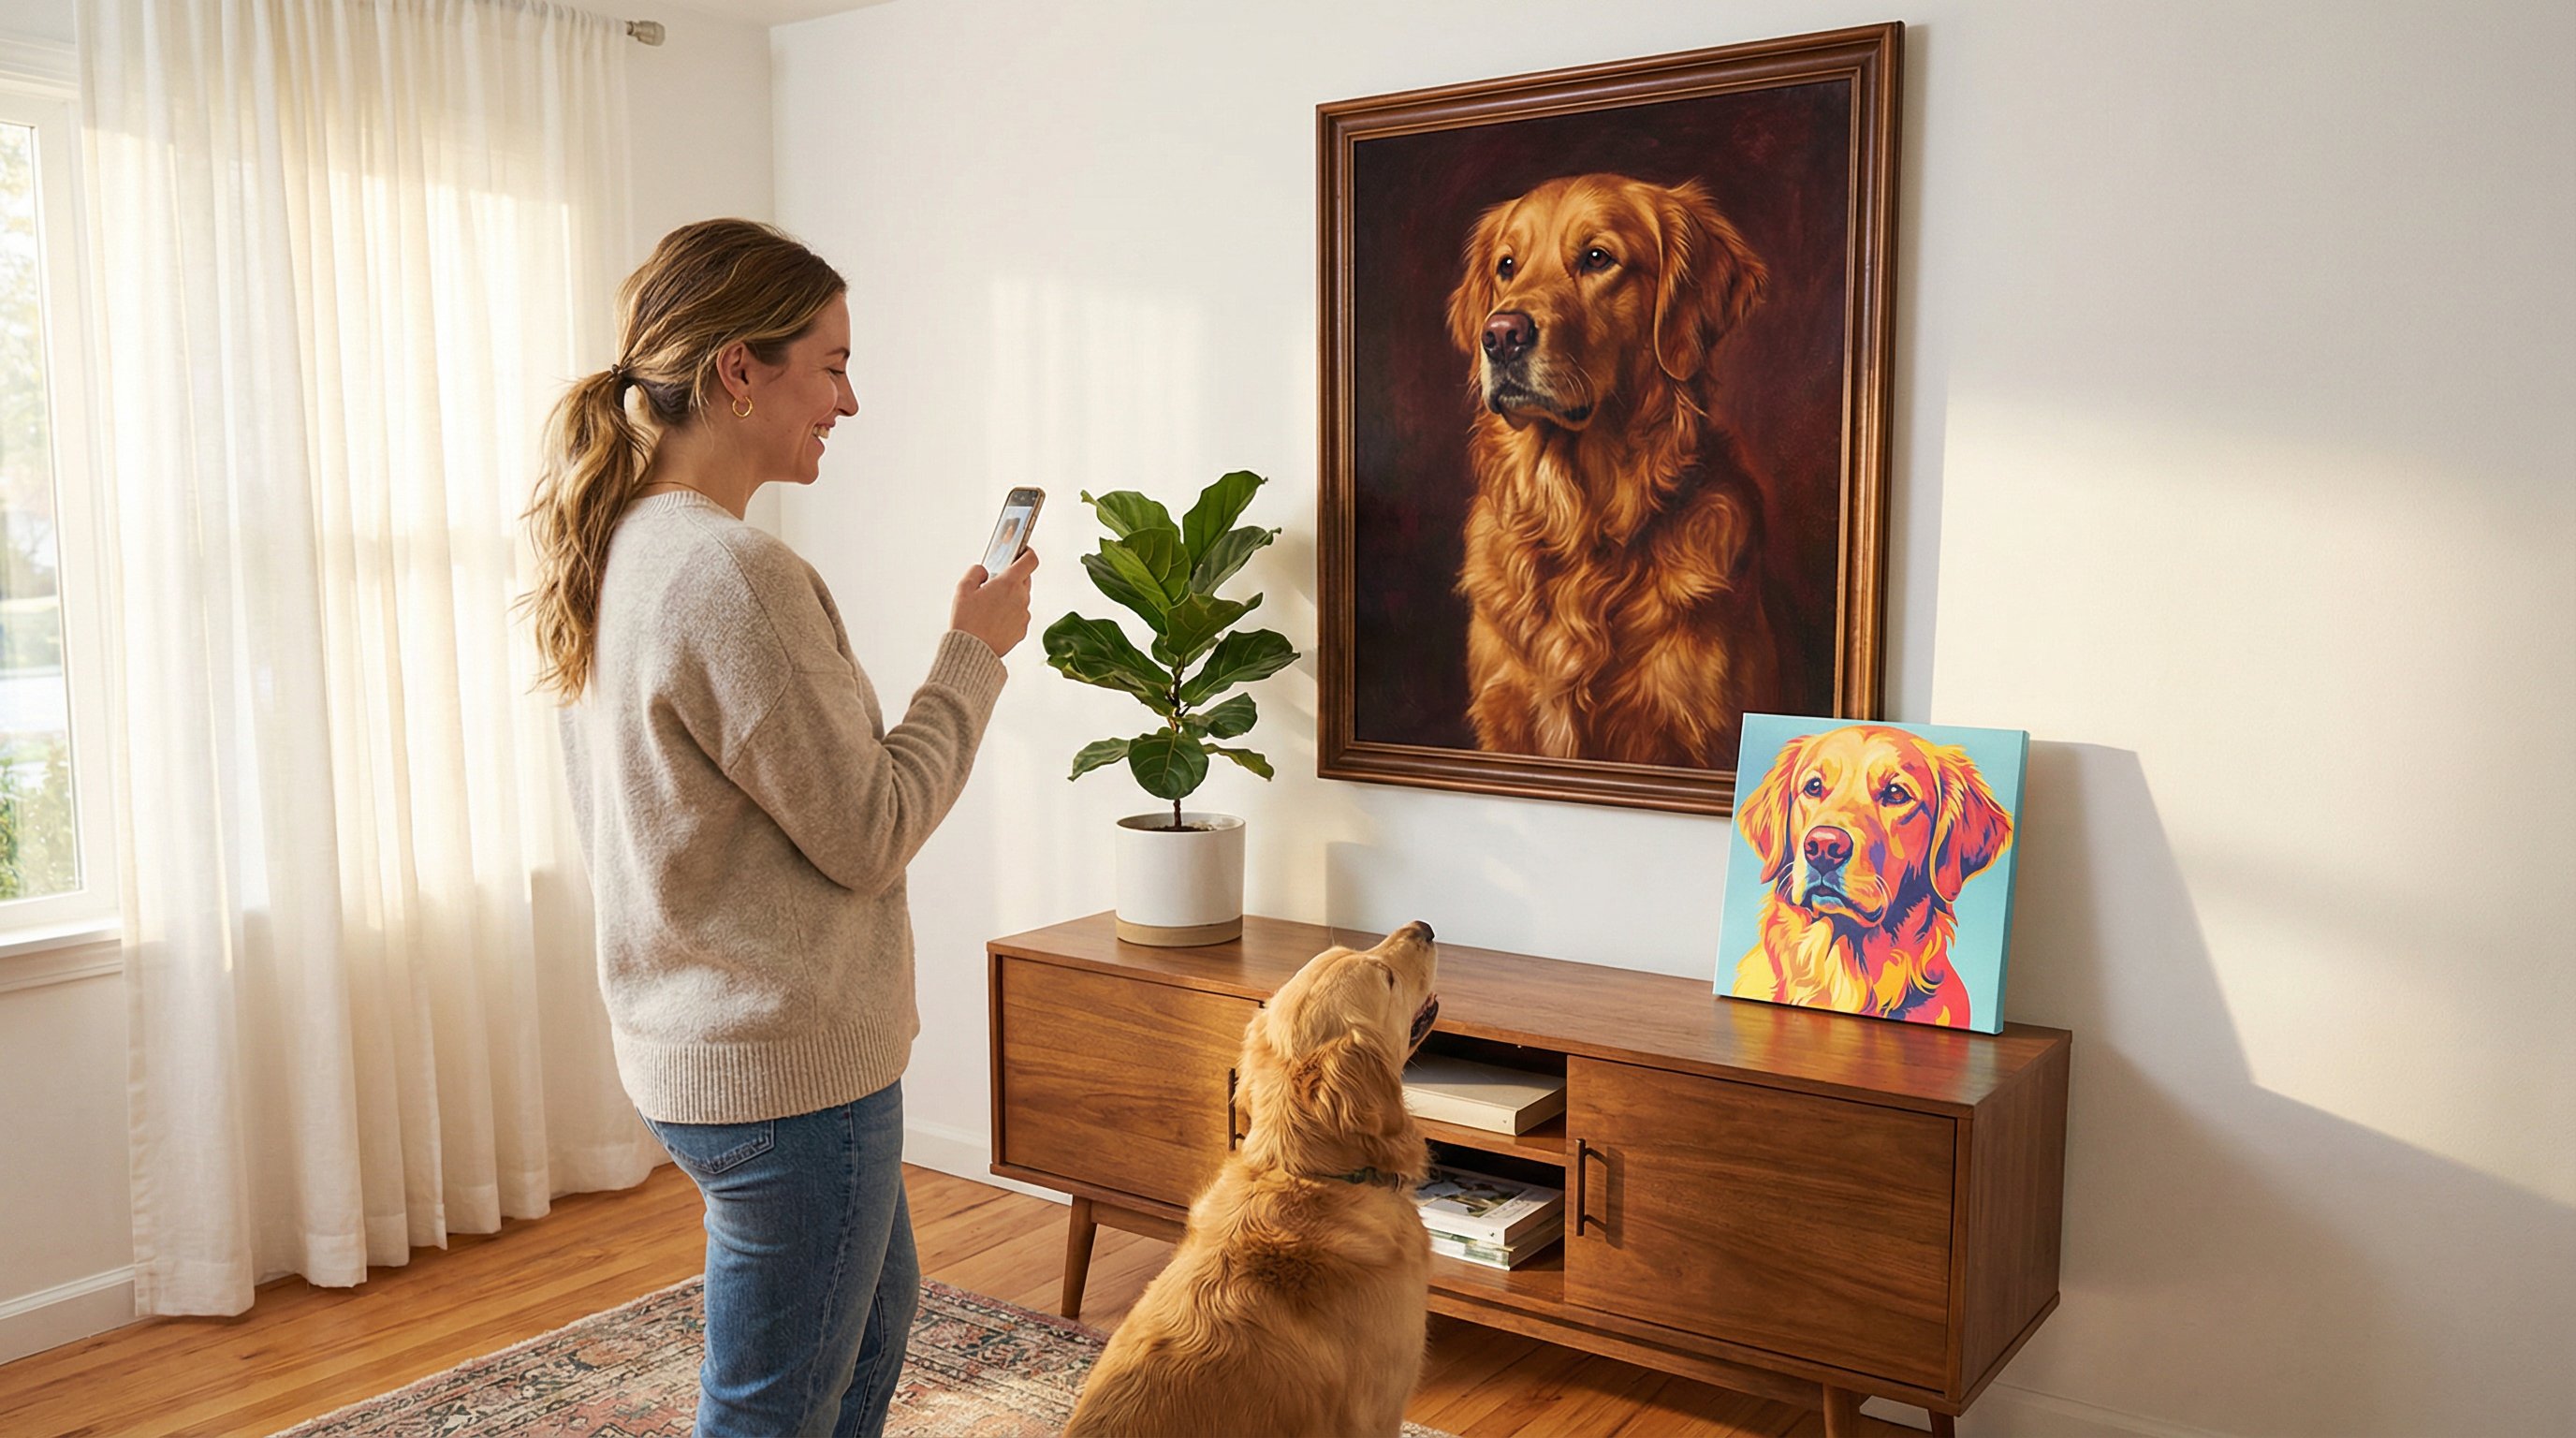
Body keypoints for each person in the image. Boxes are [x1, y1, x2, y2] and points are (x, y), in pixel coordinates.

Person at [522, 218, 1037, 1437]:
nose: (850, 400)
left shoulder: (615, 551)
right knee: (772, 1406)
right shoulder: (731, 575)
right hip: (783, 1073)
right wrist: (973, 657)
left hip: (697, 1050)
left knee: (866, 1327)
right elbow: (870, 829)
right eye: (831, 364)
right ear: (738, 374)